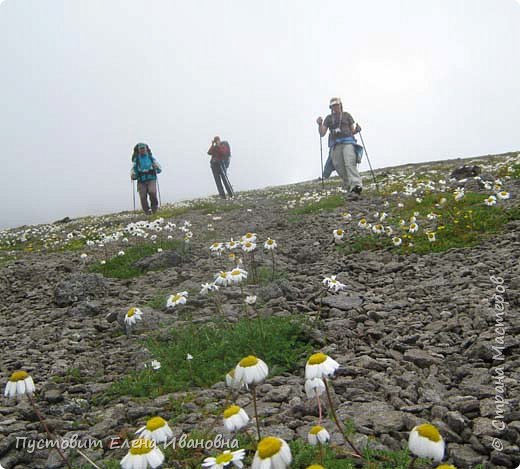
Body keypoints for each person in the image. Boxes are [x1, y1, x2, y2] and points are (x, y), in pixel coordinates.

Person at [317, 97, 364, 198]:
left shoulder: (347, 115)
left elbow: (352, 130)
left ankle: (356, 186)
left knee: (349, 162)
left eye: (337, 105)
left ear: (340, 105)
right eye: (333, 105)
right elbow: (322, 133)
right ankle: (350, 188)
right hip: (335, 145)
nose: (335, 107)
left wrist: (357, 130)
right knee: (339, 166)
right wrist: (320, 124)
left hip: (348, 142)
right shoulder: (328, 118)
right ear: (331, 107)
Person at [131, 143, 162, 214]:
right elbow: (133, 169)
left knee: (152, 192)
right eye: (141, 149)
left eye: (143, 148)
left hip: (151, 178)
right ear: (138, 150)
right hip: (141, 180)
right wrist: (133, 175)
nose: (142, 150)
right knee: (143, 196)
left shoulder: (151, 158)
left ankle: (154, 209)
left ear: (146, 149)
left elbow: (159, 169)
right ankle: (147, 211)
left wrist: (156, 167)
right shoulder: (136, 160)